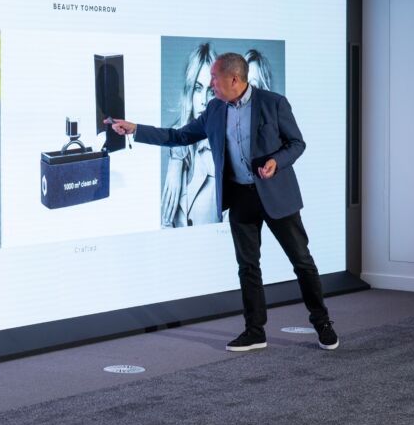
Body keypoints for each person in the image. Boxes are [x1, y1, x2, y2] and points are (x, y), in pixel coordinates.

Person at [108, 53, 338, 352]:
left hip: (276, 195)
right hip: (240, 196)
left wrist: (275, 162)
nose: (211, 84)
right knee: (248, 266)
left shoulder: (274, 103)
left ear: (234, 79)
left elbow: (297, 143)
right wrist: (136, 129)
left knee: (302, 262)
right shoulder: (215, 109)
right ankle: (255, 332)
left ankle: (322, 323)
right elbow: (178, 136)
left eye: (215, 78)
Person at [162, 43, 217, 228]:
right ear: (189, 91)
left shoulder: (226, 151)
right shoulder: (178, 151)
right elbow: (167, 222)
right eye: (198, 88)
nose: (203, 101)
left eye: (211, 91)